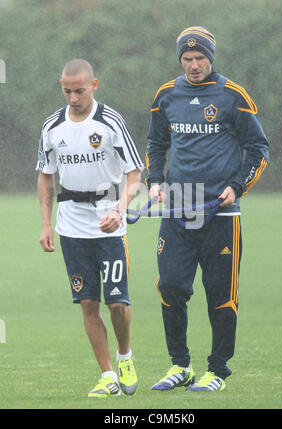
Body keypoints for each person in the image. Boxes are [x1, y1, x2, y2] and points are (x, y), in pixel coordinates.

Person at [146, 26, 269, 392]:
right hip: (178, 211)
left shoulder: (233, 95)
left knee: (221, 294)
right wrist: (155, 180)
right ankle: (179, 365)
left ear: (211, 58)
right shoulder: (166, 95)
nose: (194, 64)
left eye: (200, 58)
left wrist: (238, 187)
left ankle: (217, 370)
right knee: (170, 286)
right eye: (187, 59)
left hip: (221, 214)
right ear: (180, 59)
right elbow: (156, 143)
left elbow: (259, 150)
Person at [36, 58, 144, 398]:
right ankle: (108, 375)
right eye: (67, 91)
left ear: (93, 85)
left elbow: (135, 173)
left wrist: (120, 209)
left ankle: (124, 356)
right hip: (71, 227)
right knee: (87, 303)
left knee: (117, 304)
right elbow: (45, 175)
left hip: (109, 226)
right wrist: (45, 224)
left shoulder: (110, 121)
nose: (73, 98)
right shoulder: (52, 127)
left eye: (79, 91)